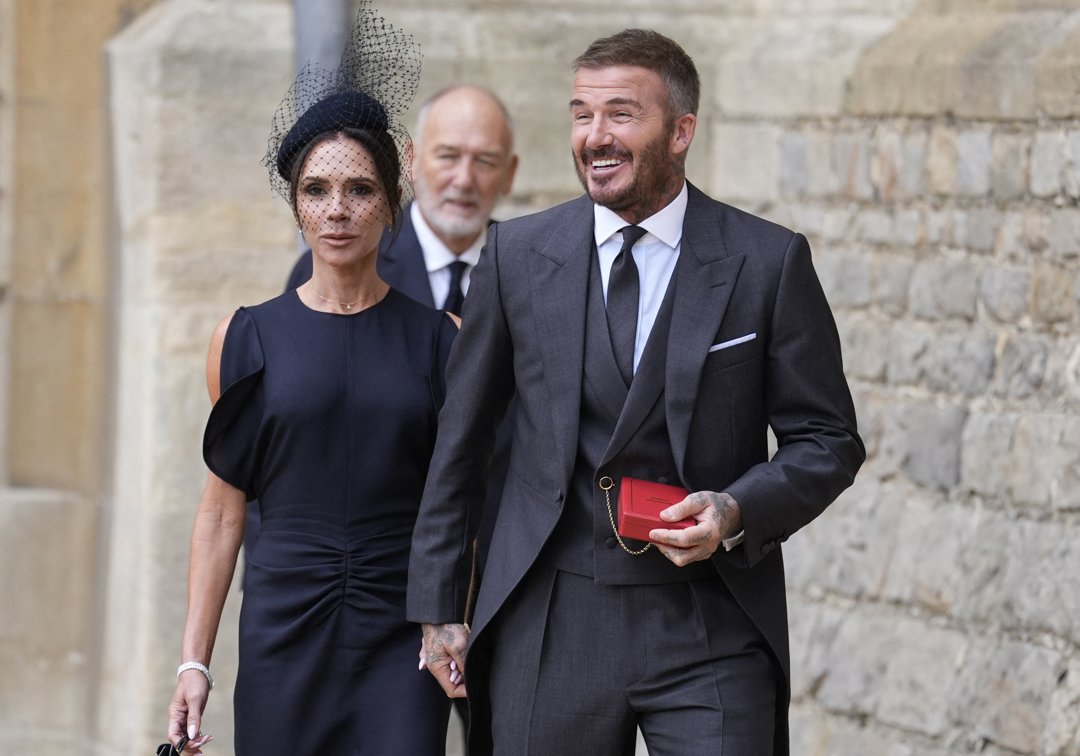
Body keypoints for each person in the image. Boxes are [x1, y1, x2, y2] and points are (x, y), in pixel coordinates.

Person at [407, 27, 865, 756]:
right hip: (550, 612)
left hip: (710, 618)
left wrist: (736, 508)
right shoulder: (517, 255)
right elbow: (460, 441)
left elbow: (828, 440)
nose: (595, 136)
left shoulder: (767, 261)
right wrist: (439, 606)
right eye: (582, 114)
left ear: (681, 131)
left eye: (621, 114)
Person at [164, 8, 454, 755]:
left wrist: (450, 613)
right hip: (282, 627)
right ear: (295, 203)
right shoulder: (243, 337)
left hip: (404, 632)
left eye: (360, 189)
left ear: (391, 200)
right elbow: (221, 514)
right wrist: (194, 662)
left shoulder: (442, 340)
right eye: (317, 189)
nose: (337, 210)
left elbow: (462, 501)